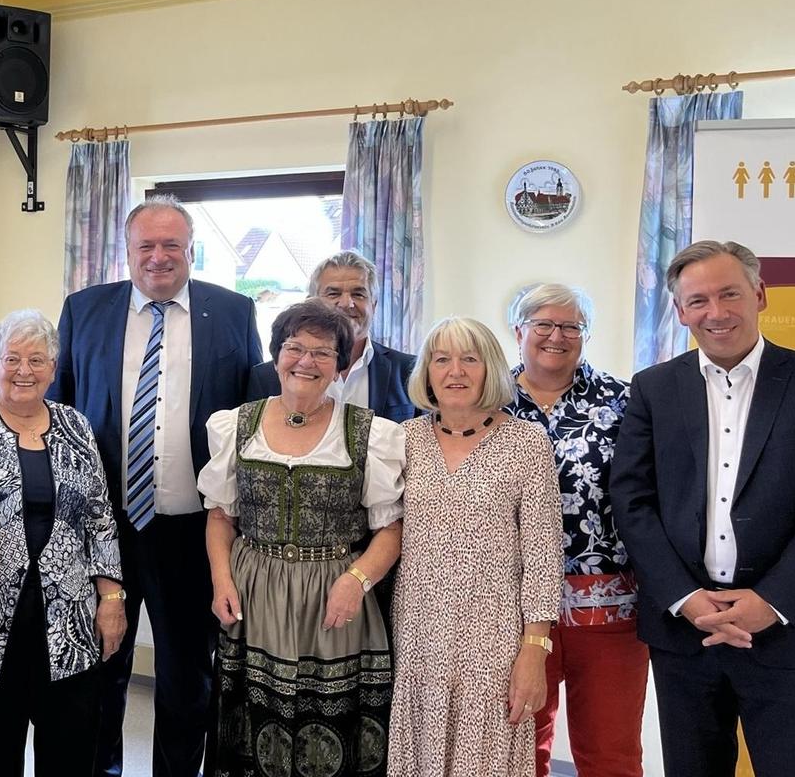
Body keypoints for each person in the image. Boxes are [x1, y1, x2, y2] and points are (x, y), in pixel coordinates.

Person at [51, 195, 263, 777]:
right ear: (127, 252)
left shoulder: (234, 312)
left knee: (185, 678)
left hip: (193, 531)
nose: (159, 257)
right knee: (100, 669)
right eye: (147, 245)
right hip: (103, 527)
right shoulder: (84, 309)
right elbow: (59, 408)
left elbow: (253, 416)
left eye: (173, 245)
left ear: (192, 250)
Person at [612, 240, 795, 777]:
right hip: (686, 632)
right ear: (680, 312)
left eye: (730, 293)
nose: (716, 312)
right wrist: (685, 598)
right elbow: (632, 501)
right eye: (698, 300)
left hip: (790, 628)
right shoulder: (654, 388)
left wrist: (771, 601)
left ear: (760, 294)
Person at [198, 299, 404, 777]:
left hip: (334, 595)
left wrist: (356, 580)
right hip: (255, 593)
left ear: (339, 367)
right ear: (276, 357)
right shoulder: (236, 425)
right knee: (250, 723)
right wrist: (221, 582)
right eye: (294, 348)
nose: (306, 362)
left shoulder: (370, 434)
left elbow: (389, 529)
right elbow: (220, 516)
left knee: (328, 725)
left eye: (322, 353)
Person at [387, 317, 563, 777]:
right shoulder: (403, 441)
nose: (455, 371)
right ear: (426, 371)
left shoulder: (527, 443)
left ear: (491, 370)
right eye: (441, 359)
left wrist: (535, 648)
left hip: (495, 639)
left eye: (470, 359)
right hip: (418, 634)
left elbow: (544, 556)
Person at [0, 309, 126, 777]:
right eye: (12, 359)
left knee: (69, 756)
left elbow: (100, 518)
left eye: (37, 359)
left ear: (54, 367)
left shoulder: (76, 425)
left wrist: (111, 596)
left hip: (69, 623)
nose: (24, 371)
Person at [503, 283, 645, 777]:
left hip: (606, 605)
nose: (556, 336)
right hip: (508, 605)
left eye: (570, 326)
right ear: (518, 330)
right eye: (543, 324)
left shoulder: (624, 400)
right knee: (518, 748)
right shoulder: (485, 400)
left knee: (610, 751)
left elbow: (649, 495)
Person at [247, 251, 418, 423]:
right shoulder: (266, 378)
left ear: (373, 305)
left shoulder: (409, 371)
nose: (346, 303)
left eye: (358, 294)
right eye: (333, 294)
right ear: (310, 303)